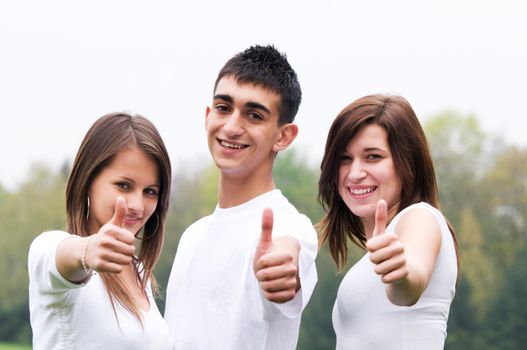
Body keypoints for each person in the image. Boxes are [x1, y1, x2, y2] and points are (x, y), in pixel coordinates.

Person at [164, 45, 318, 349]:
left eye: (254, 115)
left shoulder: (289, 227)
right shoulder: (192, 236)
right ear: (208, 116)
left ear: (283, 136)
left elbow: (288, 260)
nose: (232, 127)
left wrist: (284, 272)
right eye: (223, 108)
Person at [318, 94, 459, 349]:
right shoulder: (374, 254)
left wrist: (401, 275)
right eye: (344, 158)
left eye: (373, 156)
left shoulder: (420, 218)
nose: (355, 173)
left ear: (407, 163)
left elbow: (410, 283)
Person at [28, 112, 174, 350]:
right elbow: (55, 254)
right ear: (87, 181)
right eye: (124, 185)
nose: (137, 205)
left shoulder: (138, 273)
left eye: (150, 191)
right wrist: (88, 250)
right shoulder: (57, 253)